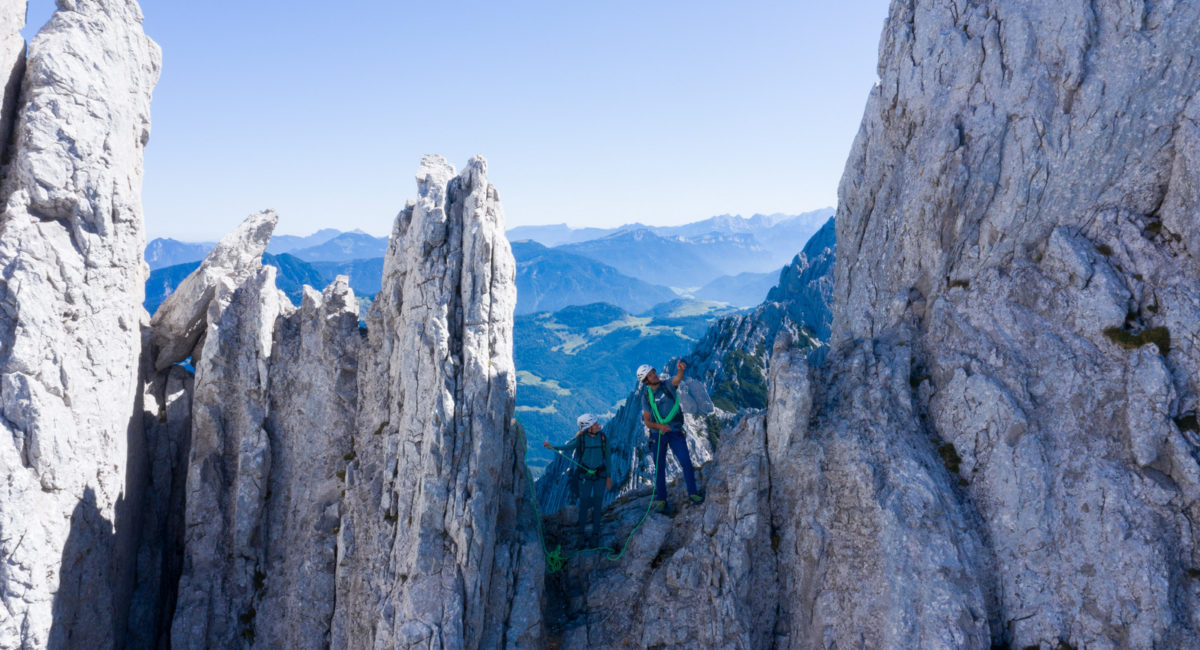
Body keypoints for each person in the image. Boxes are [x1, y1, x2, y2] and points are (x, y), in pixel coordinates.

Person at [638, 360, 703, 513]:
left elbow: (677, 378)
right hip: (658, 435)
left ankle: (693, 493)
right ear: (645, 381)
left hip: (675, 432)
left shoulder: (667, 385)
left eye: (654, 372)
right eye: (650, 375)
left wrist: (681, 369)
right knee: (660, 468)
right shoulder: (646, 398)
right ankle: (662, 500)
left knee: (686, 462)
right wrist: (659, 426)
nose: (655, 375)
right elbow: (647, 421)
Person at [543, 413, 612, 547]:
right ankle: (581, 534)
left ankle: (595, 535)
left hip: (600, 475)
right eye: (595, 424)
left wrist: (608, 477)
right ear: (588, 427)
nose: (598, 425)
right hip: (585, 475)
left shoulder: (603, 438)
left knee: (598, 504)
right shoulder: (581, 440)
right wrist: (553, 447)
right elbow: (568, 447)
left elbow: (608, 458)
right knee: (584, 504)